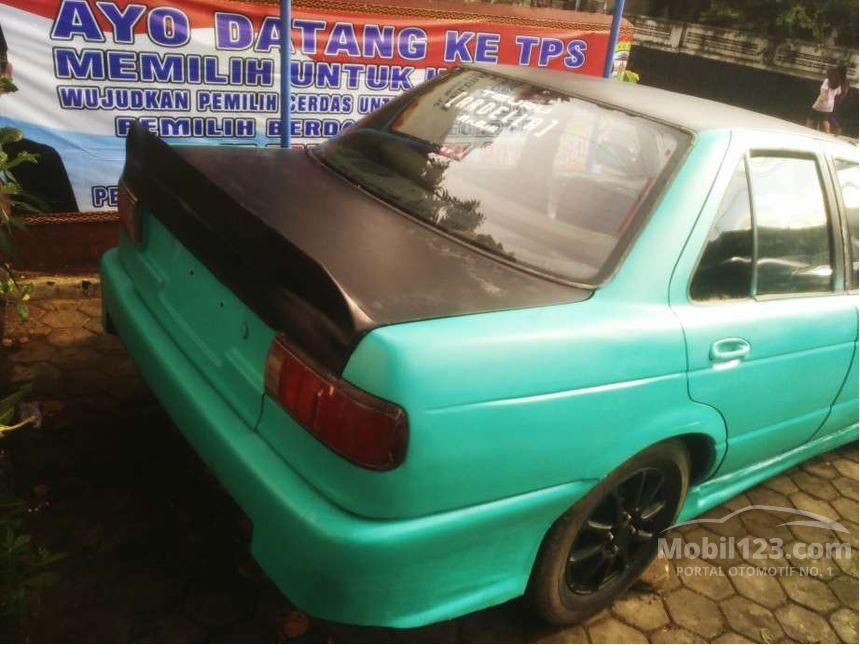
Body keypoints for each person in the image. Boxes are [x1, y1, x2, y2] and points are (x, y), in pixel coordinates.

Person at [806, 67, 844, 134]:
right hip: (830, 104)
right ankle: (827, 133)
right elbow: (839, 92)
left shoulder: (827, 81)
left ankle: (807, 131)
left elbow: (823, 91)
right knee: (825, 120)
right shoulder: (838, 83)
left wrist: (822, 99)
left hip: (821, 102)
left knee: (810, 118)